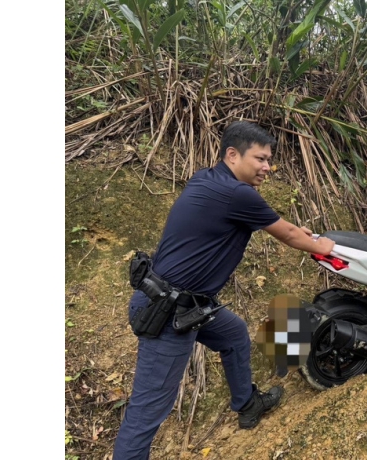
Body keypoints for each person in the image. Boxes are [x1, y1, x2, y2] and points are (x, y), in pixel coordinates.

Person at [113, 121, 336, 459]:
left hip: (175, 302)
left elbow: (280, 225)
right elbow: (290, 236)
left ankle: (247, 404)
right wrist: (325, 244)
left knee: (232, 333)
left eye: (269, 160)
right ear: (232, 154)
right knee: (147, 414)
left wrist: (299, 231)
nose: (267, 167)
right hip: (169, 314)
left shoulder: (207, 179)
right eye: (260, 159)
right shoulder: (238, 194)